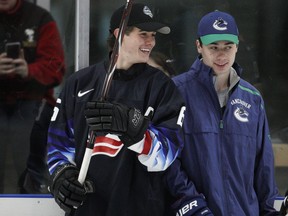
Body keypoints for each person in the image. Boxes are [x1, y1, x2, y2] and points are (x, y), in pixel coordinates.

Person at [47, 3, 185, 216]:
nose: (151, 41)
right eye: (143, 34)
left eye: (153, 35)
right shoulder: (79, 84)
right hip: (88, 208)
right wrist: (63, 176)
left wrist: (135, 131)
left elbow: (168, 154)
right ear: (120, 34)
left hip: (140, 208)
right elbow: (58, 145)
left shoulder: (162, 87)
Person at [172, 10, 288, 215]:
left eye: (228, 47)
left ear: (237, 47)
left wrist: (275, 209)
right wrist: (192, 207)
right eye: (213, 47)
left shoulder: (252, 98)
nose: (221, 55)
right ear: (198, 46)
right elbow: (168, 162)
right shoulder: (177, 92)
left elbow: (264, 170)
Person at [0, 0, 65, 193]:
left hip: (31, 103)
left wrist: (29, 70)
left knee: (32, 173)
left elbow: (57, 68)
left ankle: (34, 199)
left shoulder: (40, 19)